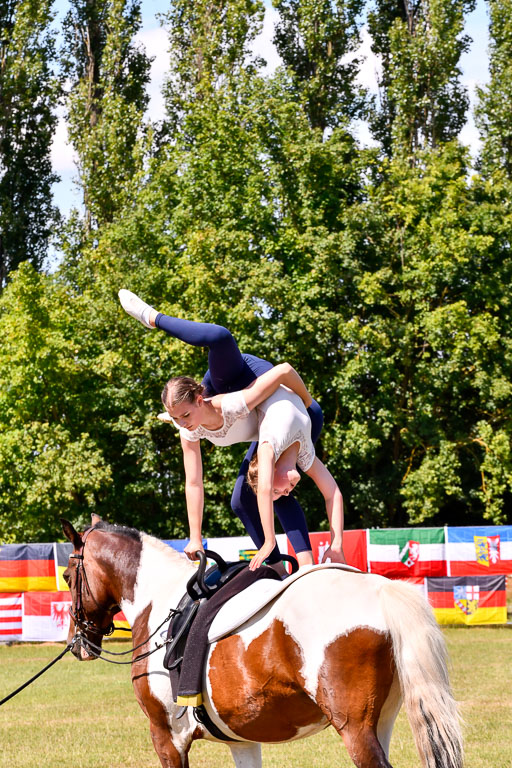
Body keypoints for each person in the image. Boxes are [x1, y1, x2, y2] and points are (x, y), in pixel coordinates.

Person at [118, 289, 346, 569]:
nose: (184, 426)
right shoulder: (192, 431)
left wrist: (307, 401)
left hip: (253, 386)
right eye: (179, 419)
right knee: (242, 500)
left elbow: (284, 371)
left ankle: (152, 317)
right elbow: (193, 482)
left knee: (221, 339)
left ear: (199, 400)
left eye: (185, 416)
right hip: (257, 419)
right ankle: (275, 569)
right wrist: (195, 536)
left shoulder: (238, 405)